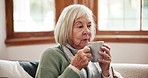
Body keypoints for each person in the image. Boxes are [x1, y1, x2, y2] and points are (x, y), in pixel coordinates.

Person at [35, 4, 122, 78]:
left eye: (89, 26)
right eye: (80, 26)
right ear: (66, 29)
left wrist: (105, 72)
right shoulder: (51, 54)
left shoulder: (93, 54)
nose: (87, 31)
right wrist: (75, 67)